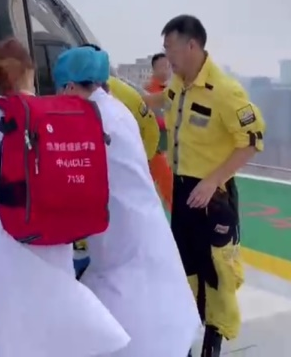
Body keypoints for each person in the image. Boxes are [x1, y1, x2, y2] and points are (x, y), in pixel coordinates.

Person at [0, 38, 129, 357]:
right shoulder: (54, 108)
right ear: (30, 71)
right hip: (56, 228)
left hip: (11, 231)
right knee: (55, 317)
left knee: (14, 323)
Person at [52, 46, 200, 357]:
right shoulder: (116, 108)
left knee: (131, 321)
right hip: (138, 231)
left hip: (123, 244)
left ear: (70, 86)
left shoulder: (91, 118)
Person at [145, 15, 265, 357]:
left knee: (216, 271)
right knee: (187, 264)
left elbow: (252, 141)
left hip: (212, 194)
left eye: (170, 48)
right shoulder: (179, 83)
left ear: (191, 45)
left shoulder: (225, 91)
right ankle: (187, 328)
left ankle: (214, 339)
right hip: (183, 191)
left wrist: (213, 181)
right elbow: (162, 102)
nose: (167, 57)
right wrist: (120, 94)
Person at [145, 53, 174, 210]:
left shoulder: (171, 92)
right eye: (163, 66)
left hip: (165, 149)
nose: (167, 70)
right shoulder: (147, 92)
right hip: (154, 149)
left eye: (169, 66)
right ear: (154, 68)